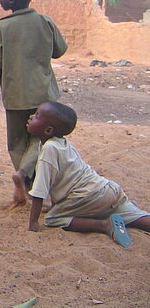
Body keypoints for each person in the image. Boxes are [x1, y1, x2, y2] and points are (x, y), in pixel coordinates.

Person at [0, 0, 67, 206]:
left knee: (17, 142)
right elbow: (58, 50)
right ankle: (27, 179)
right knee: (40, 139)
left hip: (15, 96)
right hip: (44, 95)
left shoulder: (2, 27)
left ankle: (23, 176)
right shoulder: (45, 21)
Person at [26, 102, 150, 247]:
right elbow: (64, 177)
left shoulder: (49, 149)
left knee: (53, 219)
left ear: (48, 130)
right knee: (140, 219)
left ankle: (103, 225)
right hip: (108, 189)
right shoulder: (63, 143)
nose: (31, 117)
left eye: (37, 116)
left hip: (88, 196)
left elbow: (40, 190)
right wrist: (56, 203)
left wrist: (33, 223)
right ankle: (111, 211)